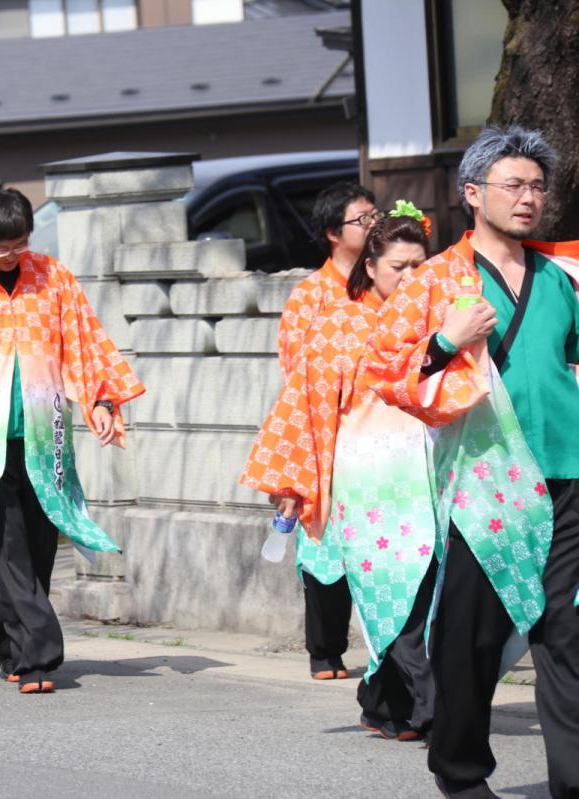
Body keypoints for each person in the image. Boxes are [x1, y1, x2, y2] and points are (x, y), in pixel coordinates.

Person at [366, 125, 576, 799]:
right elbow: (386, 369)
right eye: (513, 184)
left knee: (566, 631)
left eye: (537, 186)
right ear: (472, 193)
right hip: (487, 478)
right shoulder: (435, 280)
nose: (528, 198)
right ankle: (460, 772)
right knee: (471, 638)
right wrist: (442, 339)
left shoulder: (561, 274)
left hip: (567, 469)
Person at [0, 188, 144, 694]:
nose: (12, 255)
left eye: (19, 244)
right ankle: (38, 655)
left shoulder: (53, 278)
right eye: (1, 247)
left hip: (45, 433)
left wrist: (104, 402)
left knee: (40, 544)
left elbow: (85, 344)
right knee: (8, 544)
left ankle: (6, 632)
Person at [244, 207, 438, 741]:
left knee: (422, 591)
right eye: (400, 266)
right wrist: (292, 483)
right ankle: (431, 707)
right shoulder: (337, 322)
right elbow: (304, 405)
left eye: (421, 265)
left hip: (426, 473)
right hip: (364, 478)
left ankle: (385, 704)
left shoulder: (436, 320)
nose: (412, 277)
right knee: (388, 591)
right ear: (370, 265)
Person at [276, 182, 382, 680]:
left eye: (375, 214)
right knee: (325, 539)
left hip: (384, 431)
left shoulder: (387, 285)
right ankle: (326, 649)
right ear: (333, 233)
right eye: (362, 219)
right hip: (328, 431)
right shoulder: (309, 296)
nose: (374, 223)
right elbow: (295, 374)